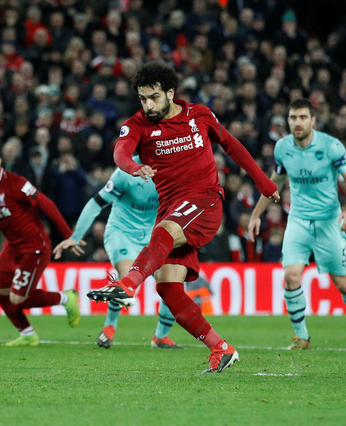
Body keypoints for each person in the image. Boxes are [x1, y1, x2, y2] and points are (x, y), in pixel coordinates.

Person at [87, 61, 279, 373]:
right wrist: (133, 167)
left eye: (154, 97)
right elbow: (121, 151)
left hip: (205, 200)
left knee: (163, 232)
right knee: (168, 288)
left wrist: (263, 182)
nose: (148, 105)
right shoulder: (137, 124)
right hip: (172, 207)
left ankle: (128, 284)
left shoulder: (199, 115)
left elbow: (232, 145)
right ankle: (221, 347)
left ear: (170, 93)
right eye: (143, 99)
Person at [247, 98, 346, 350]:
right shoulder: (282, 148)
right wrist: (256, 214)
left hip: (328, 221)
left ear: (313, 120)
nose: (298, 122)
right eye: (293, 118)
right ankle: (301, 337)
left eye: (303, 117)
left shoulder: (330, 146)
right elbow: (276, 182)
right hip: (298, 220)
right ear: (288, 121)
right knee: (291, 275)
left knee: (342, 283)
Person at [53, 156, 183, 350]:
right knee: (128, 276)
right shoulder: (125, 173)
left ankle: (161, 337)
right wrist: (76, 235)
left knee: (172, 283)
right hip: (121, 233)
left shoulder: (172, 171)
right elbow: (97, 203)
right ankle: (109, 327)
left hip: (153, 235)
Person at [0, 142, 80, 346]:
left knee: (17, 298)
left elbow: (46, 204)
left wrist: (68, 234)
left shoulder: (15, 183)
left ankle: (66, 298)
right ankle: (27, 333)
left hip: (35, 247)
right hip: (12, 247)